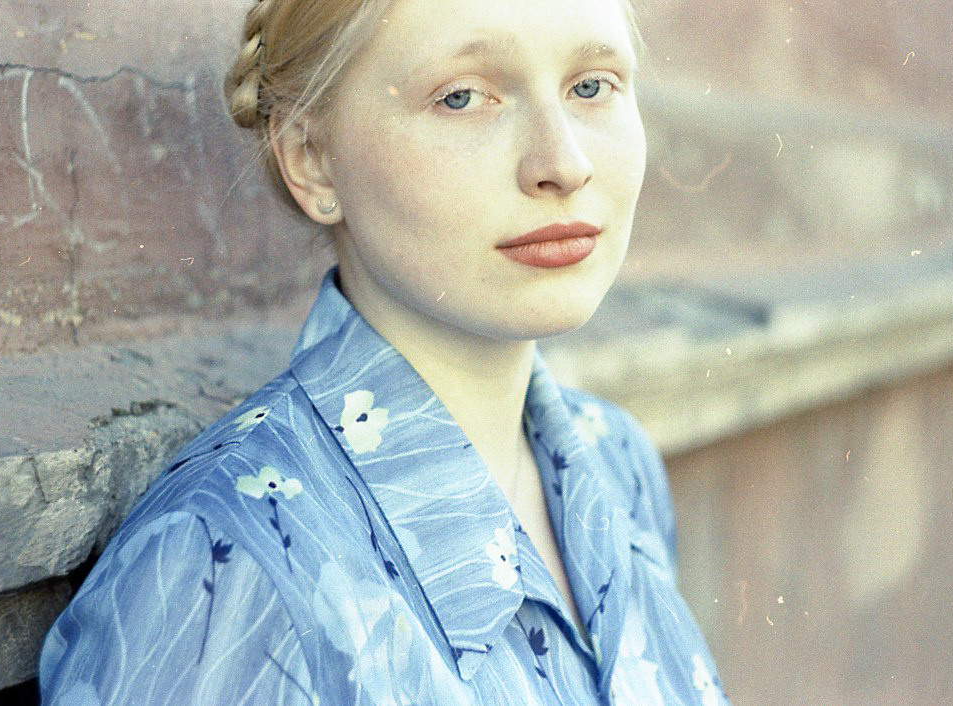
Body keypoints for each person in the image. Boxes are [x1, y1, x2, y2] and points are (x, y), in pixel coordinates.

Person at [38, 0, 729, 703]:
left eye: (590, 86)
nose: (563, 164)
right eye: (461, 97)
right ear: (312, 161)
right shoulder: (225, 565)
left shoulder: (615, 463)